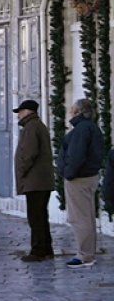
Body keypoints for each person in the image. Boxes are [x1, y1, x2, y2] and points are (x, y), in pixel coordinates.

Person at [57, 98, 103, 269]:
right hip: (87, 177)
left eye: (72, 109)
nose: (70, 112)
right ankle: (87, 253)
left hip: (79, 179)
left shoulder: (82, 130)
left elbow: (76, 156)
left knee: (80, 218)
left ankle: (84, 255)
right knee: (87, 217)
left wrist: (68, 173)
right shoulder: (90, 128)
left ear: (78, 112)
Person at [12, 99, 54, 262]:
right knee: (41, 216)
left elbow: (29, 153)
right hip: (40, 180)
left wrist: (21, 170)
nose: (18, 116)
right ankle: (46, 248)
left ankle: (38, 251)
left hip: (35, 181)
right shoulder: (37, 126)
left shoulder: (31, 127)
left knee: (35, 217)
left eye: (20, 112)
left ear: (27, 112)